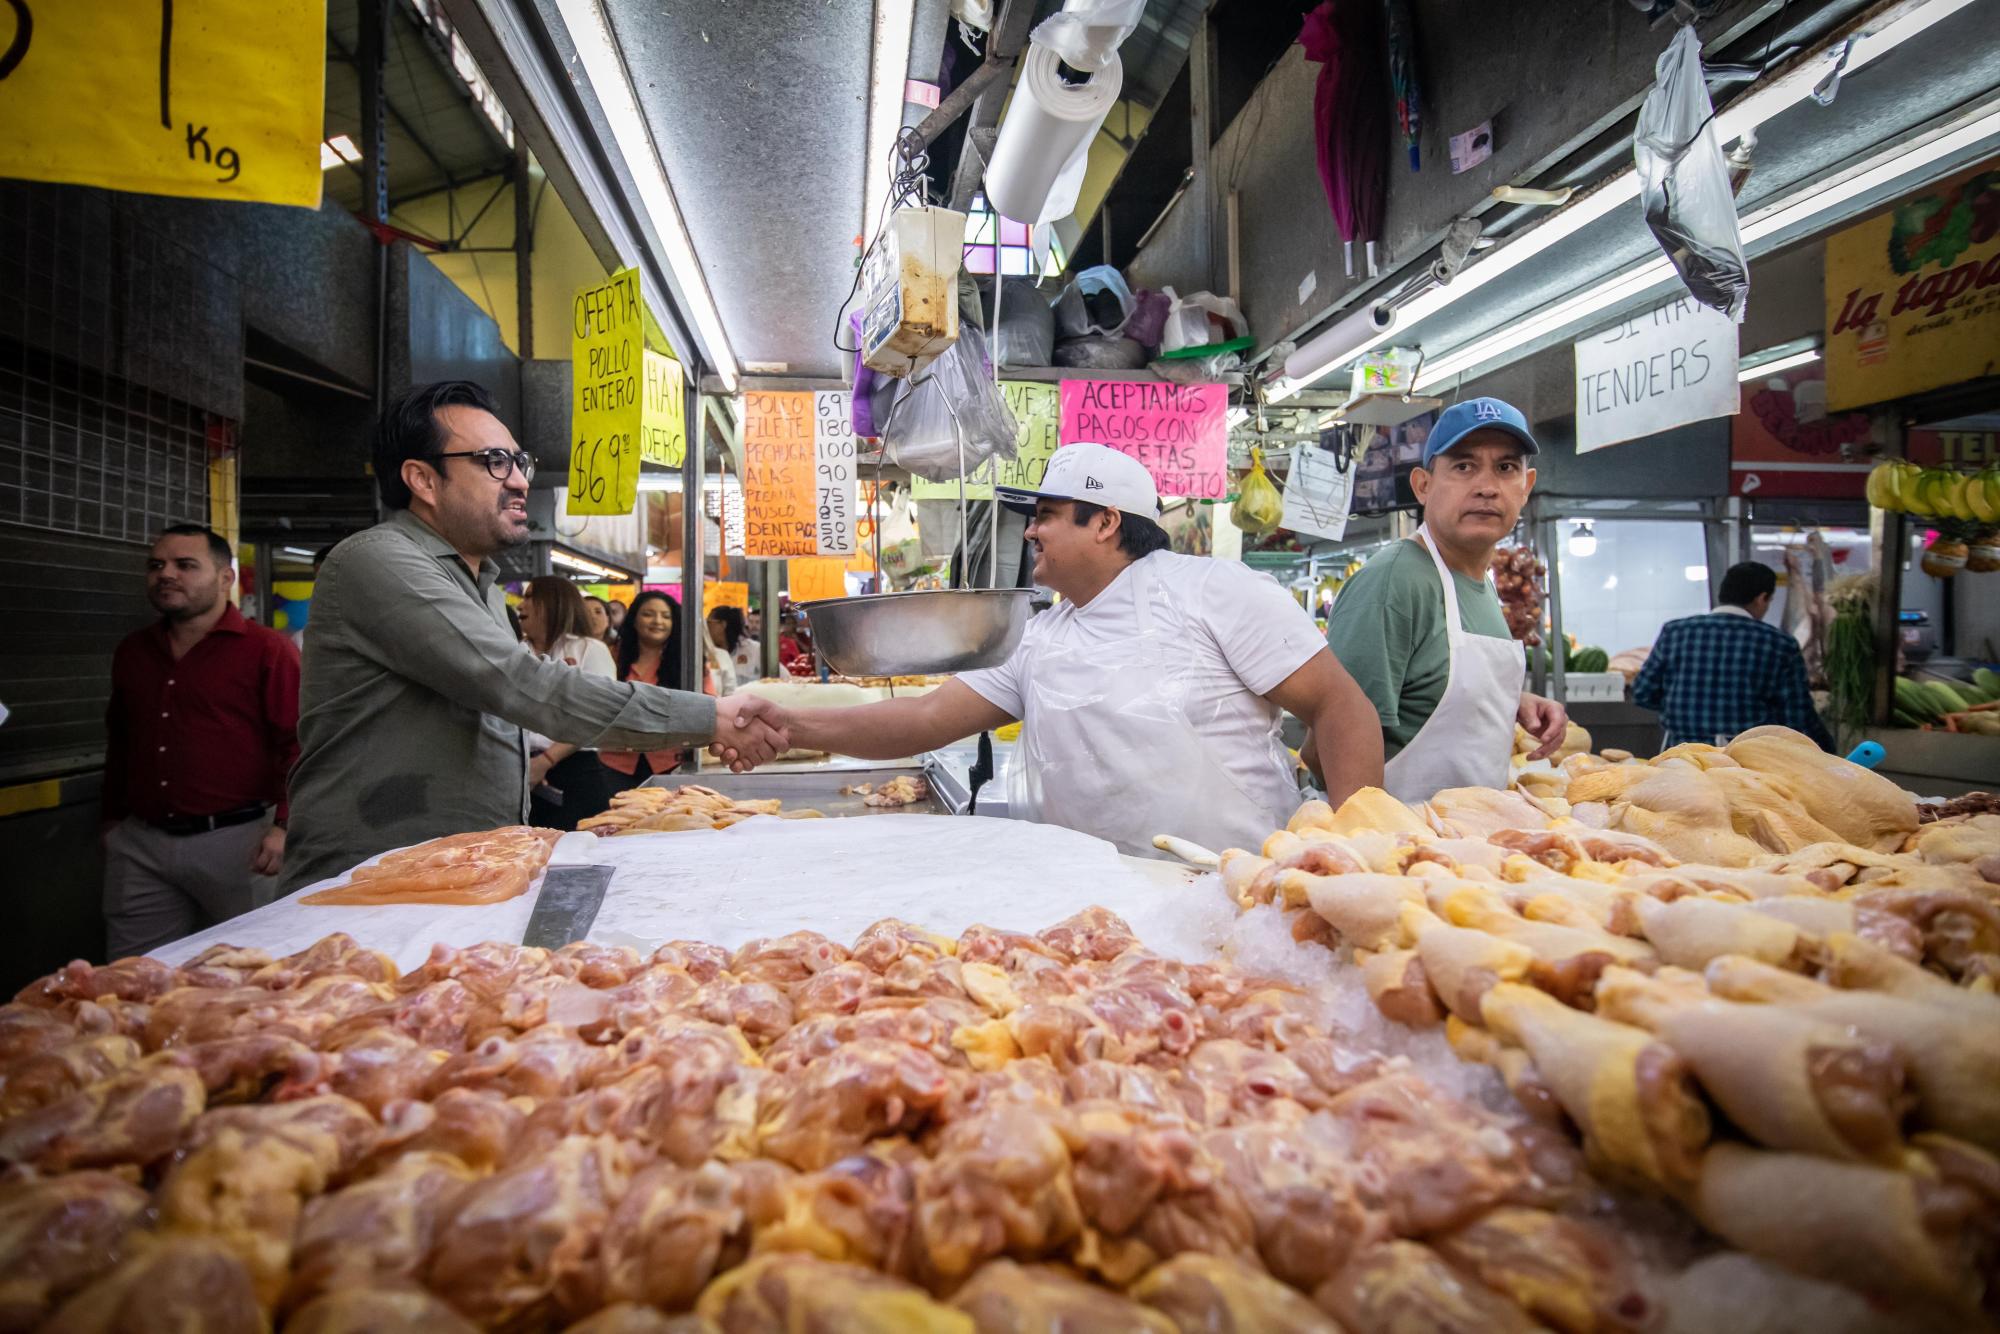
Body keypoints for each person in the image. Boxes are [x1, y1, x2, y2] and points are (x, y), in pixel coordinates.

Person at [282, 381, 788, 892]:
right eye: (494, 462)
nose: (521, 481)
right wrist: (710, 717)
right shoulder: (381, 561)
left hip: (463, 874)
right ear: (423, 480)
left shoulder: (481, 588)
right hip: (368, 884)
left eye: (520, 461)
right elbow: (519, 684)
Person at [771, 443, 1384, 857]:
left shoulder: (1215, 591)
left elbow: (1340, 708)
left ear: (1106, 522)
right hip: (1092, 905)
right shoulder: (1039, 633)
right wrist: (788, 725)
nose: (1031, 530)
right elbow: (922, 720)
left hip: (1231, 885)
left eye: (1046, 515)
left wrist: (1356, 854)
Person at [1323, 397, 1568, 804]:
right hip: (1403, 848)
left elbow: (1426, 685)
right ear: (1423, 485)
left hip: (1464, 843)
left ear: (1526, 487)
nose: (1488, 487)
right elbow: (1327, 743)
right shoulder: (1395, 583)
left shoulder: (1478, 581)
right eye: (1463, 466)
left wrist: (1511, 702)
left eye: (1506, 468)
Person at [102, 524, 300, 957]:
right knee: (135, 974)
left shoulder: (267, 650)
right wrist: (113, 820)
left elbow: (300, 743)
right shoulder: (134, 652)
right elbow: (121, 739)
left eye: (185, 566)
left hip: (241, 843)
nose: (166, 574)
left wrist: (285, 826)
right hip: (142, 845)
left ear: (225, 578)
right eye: (156, 566)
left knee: (250, 971)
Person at [1633, 561, 1836, 752]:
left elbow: (1643, 692)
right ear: (1761, 598)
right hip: (1746, 758)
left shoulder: (1675, 632)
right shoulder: (1778, 643)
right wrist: (1827, 750)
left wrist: (1682, 708)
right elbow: (1796, 715)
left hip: (1683, 755)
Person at [517, 576, 618, 829]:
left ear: (554, 602)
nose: (521, 606)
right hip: (520, 770)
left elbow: (598, 713)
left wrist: (546, 761)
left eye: (530, 597)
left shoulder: (588, 649)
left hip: (573, 769)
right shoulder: (514, 651)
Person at [601, 591, 708, 790]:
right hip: (615, 763)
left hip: (672, 763)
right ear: (634, 619)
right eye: (648, 614)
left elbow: (708, 704)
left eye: (666, 616)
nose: (657, 621)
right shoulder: (611, 656)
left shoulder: (689, 662)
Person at [706, 606, 747, 696]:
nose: (706, 627)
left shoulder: (754, 651)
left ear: (723, 624)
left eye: (708, 622)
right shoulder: (705, 653)